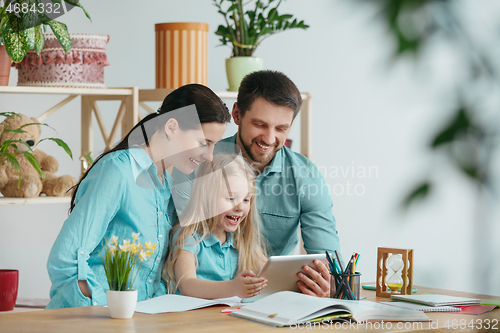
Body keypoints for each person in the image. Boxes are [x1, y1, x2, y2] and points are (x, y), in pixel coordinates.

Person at [46, 84, 231, 309]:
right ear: (171, 127)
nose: (209, 157)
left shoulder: (167, 187)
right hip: (90, 320)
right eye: (204, 143)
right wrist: (110, 308)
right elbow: (65, 261)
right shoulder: (118, 171)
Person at [171, 71, 341, 297]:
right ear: (237, 114)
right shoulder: (198, 164)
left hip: (266, 300)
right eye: (260, 125)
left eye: (281, 129)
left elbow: (328, 262)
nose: (269, 139)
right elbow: (180, 242)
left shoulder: (305, 175)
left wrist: (328, 284)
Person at [163, 153, 268, 299]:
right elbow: (187, 285)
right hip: (191, 317)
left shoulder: (241, 238)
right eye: (231, 198)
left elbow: (270, 272)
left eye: (246, 199)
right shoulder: (188, 235)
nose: (239, 207)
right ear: (207, 198)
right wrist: (233, 287)